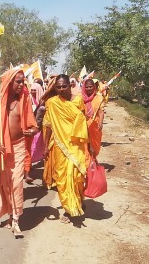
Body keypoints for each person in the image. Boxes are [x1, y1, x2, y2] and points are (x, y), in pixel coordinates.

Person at [0, 69, 37, 238]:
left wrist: (32, 131)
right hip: (2, 148)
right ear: (9, 82)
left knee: (16, 183)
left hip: (19, 146)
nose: (21, 85)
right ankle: (9, 215)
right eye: (18, 82)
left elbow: (33, 125)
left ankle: (16, 219)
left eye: (23, 82)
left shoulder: (25, 99)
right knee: (5, 184)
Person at [42, 74, 89, 224]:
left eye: (64, 86)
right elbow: (48, 124)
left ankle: (78, 200)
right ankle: (69, 209)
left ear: (70, 85)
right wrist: (45, 146)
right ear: (54, 88)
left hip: (76, 144)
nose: (61, 89)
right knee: (62, 177)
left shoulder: (78, 100)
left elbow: (83, 121)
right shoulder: (52, 102)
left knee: (77, 176)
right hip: (59, 145)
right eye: (58, 87)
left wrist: (90, 145)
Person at [82, 79, 105, 159]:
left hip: (95, 126)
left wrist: (101, 123)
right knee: (85, 146)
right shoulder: (81, 99)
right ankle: (87, 163)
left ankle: (93, 161)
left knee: (95, 147)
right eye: (87, 87)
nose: (89, 89)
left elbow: (101, 111)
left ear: (94, 87)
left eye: (90, 87)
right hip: (83, 126)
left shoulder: (99, 98)